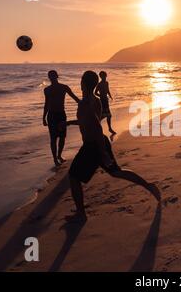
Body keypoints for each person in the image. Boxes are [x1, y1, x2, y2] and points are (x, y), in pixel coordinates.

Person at [67, 71, 160, 220]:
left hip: (93, 145)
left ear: (83, 83)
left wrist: (102, 152)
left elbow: (96, 126)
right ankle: (149, 186)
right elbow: (90, 121)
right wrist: (69, 123)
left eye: (82, 80)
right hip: (100, 142)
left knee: (73, 177)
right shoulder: (95, 100)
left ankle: (81, 214)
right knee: (116, 172)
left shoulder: (85, 103)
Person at [43, 70, 80, 167]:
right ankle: (55, 159)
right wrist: (43, 118)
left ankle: (59, 156)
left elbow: (75, 98)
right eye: (50, 76)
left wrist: (84, 104)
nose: (52, 78)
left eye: (53, 76)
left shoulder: (64, 87)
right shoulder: (47, 90)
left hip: (61, 114)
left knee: (62, 137)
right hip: (51, 115)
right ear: (49, 77)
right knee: (53, 138)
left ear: (57, 76)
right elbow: (46, 104)